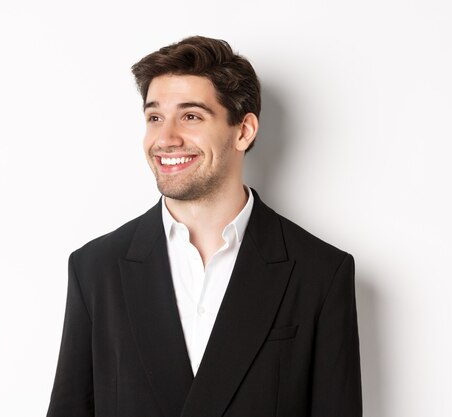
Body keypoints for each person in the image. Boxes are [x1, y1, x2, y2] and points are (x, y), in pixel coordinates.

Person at [46, 35, 362, 417]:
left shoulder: (320, 274)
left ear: (243, 131)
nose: (165, 139)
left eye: (191, 116)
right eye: (154, 117)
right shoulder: (95, 268)